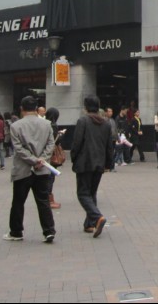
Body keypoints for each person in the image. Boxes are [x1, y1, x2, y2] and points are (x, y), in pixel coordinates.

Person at [4, 96, 56, 244]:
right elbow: (51, 144)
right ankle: (49, 231)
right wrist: (42, 160)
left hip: (23, 169)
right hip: (42, 169)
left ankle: (16, 231)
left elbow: (18, 148)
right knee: (43, 201)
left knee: (18, 201)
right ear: (36, 108)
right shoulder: (47, 124)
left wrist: (33, 160)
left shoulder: (16, 126)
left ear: (22, 108)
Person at [71, 95, 114, 237]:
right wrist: (109, 164)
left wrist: (73, 158)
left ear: (85, 107)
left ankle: (97, 217)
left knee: (83, 193)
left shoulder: (83, 121)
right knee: (92, 193)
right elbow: (109, 146)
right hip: (99, 164)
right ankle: (89, 224)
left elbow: (76, 143)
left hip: (84, 162)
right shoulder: (106, 123)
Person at [45, 107, 64, 208]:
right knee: (51, 177)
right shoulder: (53, 125)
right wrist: (61, 135)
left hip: (45, 154)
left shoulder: (44, 124)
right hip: (52, 154)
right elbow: (55, 141)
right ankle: (49, 199)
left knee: (48, 176)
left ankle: (48, 198)